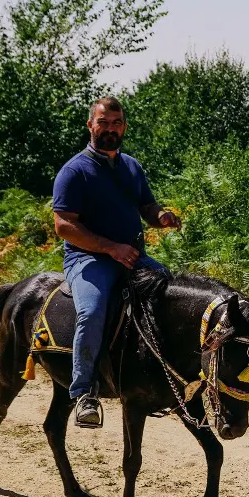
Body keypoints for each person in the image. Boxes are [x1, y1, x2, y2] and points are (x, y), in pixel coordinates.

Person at [51, 96, 181, 428]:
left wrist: (161, 216)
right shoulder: (74, 170)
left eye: (116, 123)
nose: (110, 129)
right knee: (93, 311)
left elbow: (147, 208)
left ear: (123, 126)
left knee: (173, 295)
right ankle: (84, 394)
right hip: (88, 259)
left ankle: (164, 379)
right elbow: (64, 225)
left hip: (133, 256)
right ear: (91, 125)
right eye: (103, 123)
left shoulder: (131, 166)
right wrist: (111, 248)